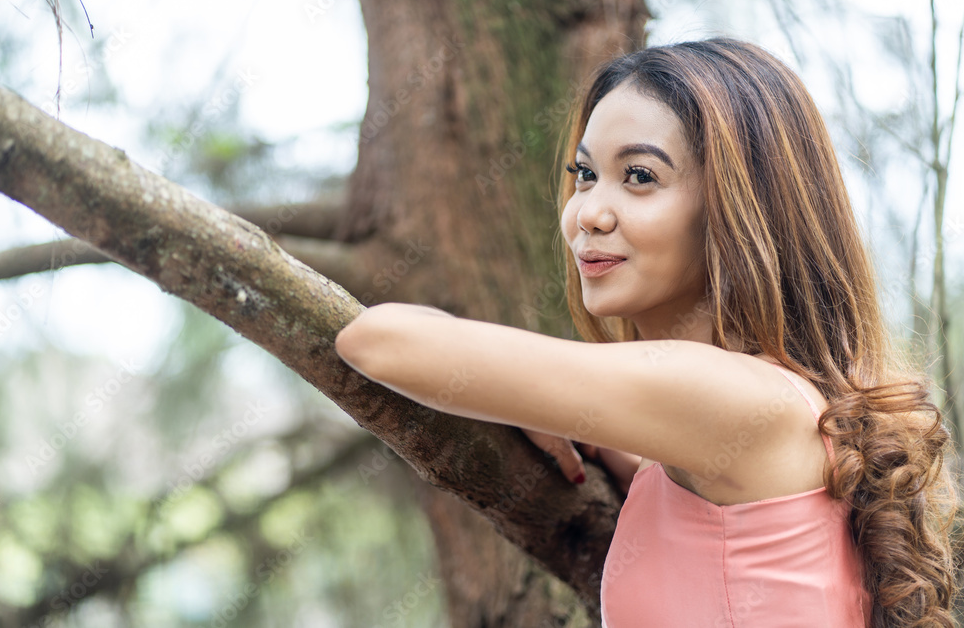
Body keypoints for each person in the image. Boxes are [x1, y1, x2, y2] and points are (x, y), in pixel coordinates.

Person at [334, 37, 958, 627]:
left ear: (737, 207)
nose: (588, 214)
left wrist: (524, 394)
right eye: (584, 174)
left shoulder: (734, 397)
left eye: (639, 177)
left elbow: (375, 340)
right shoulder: (766, 409)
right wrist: (570, 417)